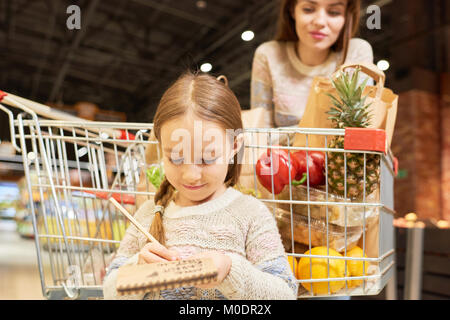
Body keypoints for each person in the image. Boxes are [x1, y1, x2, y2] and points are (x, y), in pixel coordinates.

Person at [103, 72, 298, 300]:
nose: (191, 175)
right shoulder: (148, 213)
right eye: (175, 159)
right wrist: (137, 269)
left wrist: (230, 269)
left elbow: (284, 293)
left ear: (235, 145)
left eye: (206, 159)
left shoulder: (251, 214)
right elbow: (109, 291)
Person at [251, 0, 373, 128]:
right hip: (279, 149)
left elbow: (358, 130)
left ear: (347, 16)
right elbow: (259, 133)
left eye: (334, 12)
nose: (320, 22)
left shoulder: (355, 53)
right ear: (292, 10)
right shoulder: (269, 55)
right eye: (308, 9)